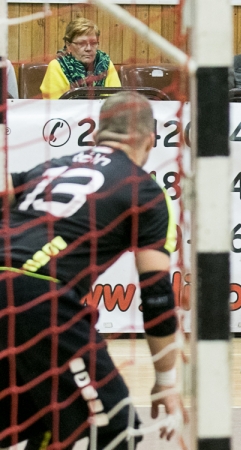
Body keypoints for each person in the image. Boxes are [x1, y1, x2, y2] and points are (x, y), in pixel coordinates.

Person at [0, 92, 186, 448]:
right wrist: (166, 378)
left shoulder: (49, 167)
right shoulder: (142, 189)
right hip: (39, 301)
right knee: (118, 432)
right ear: (150, 139)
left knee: (41, 418)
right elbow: (157, 293)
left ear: (99, 131)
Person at [40, 17, 121, 100]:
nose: (88, 48)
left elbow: (116, 100)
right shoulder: (57, 65)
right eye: (82, 43)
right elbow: (55, 106)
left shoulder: (105, 62)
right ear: (68, 45)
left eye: (93, 43)